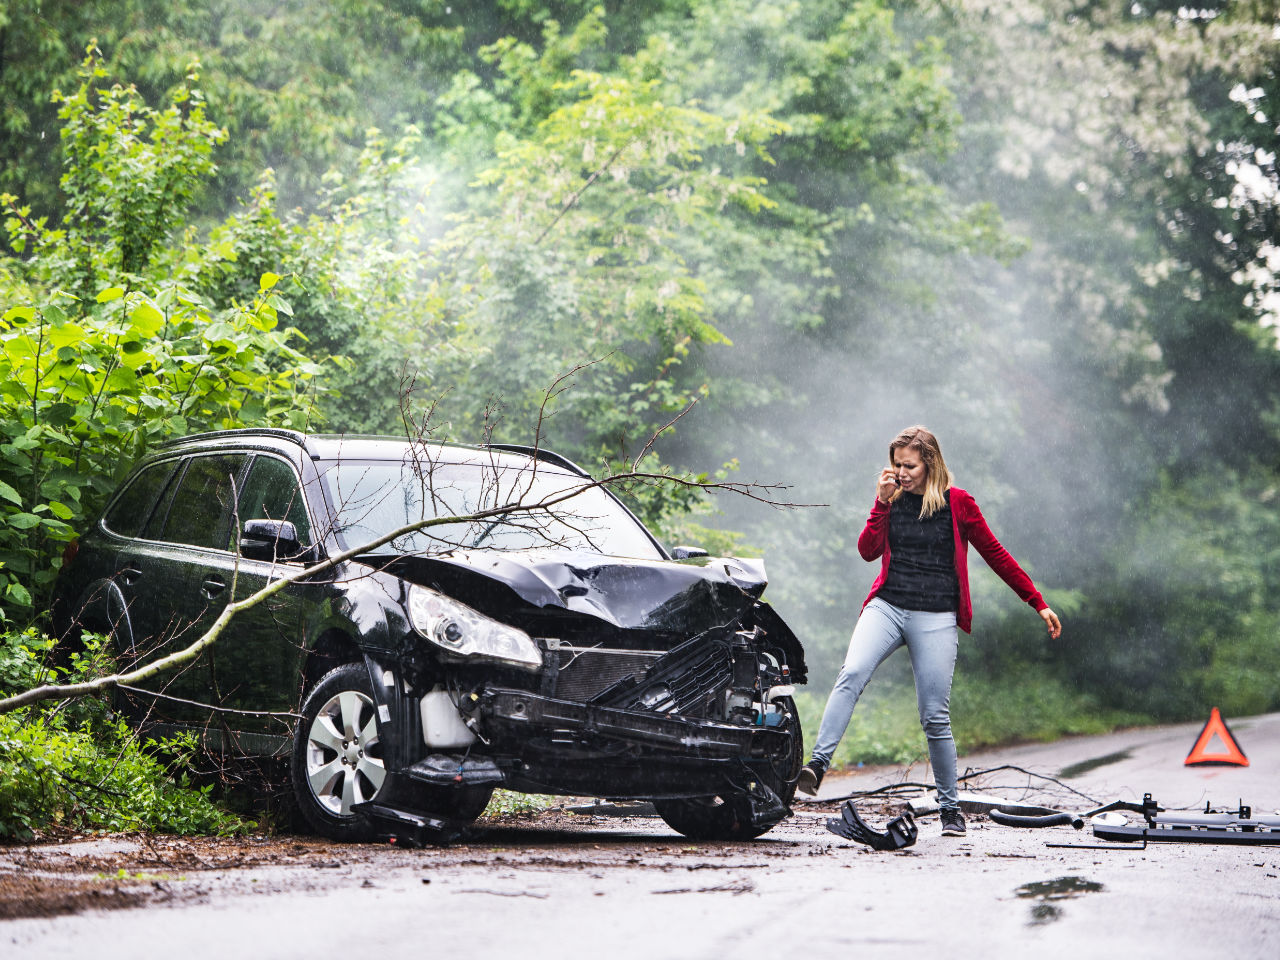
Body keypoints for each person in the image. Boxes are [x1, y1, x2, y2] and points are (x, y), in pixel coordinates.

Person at [797, 425, 1062, 837]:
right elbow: (868, 551)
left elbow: (995, 553)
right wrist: (881, 504)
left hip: (936, 615)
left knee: (934, 715)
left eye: (910, 466)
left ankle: (950, 809)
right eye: (896, 465)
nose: (901, 473)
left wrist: (1037, 600)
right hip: (888, 605)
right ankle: (816, 765)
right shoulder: (891, 499)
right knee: (851, 674)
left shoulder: (959, 504)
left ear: (930, 464)